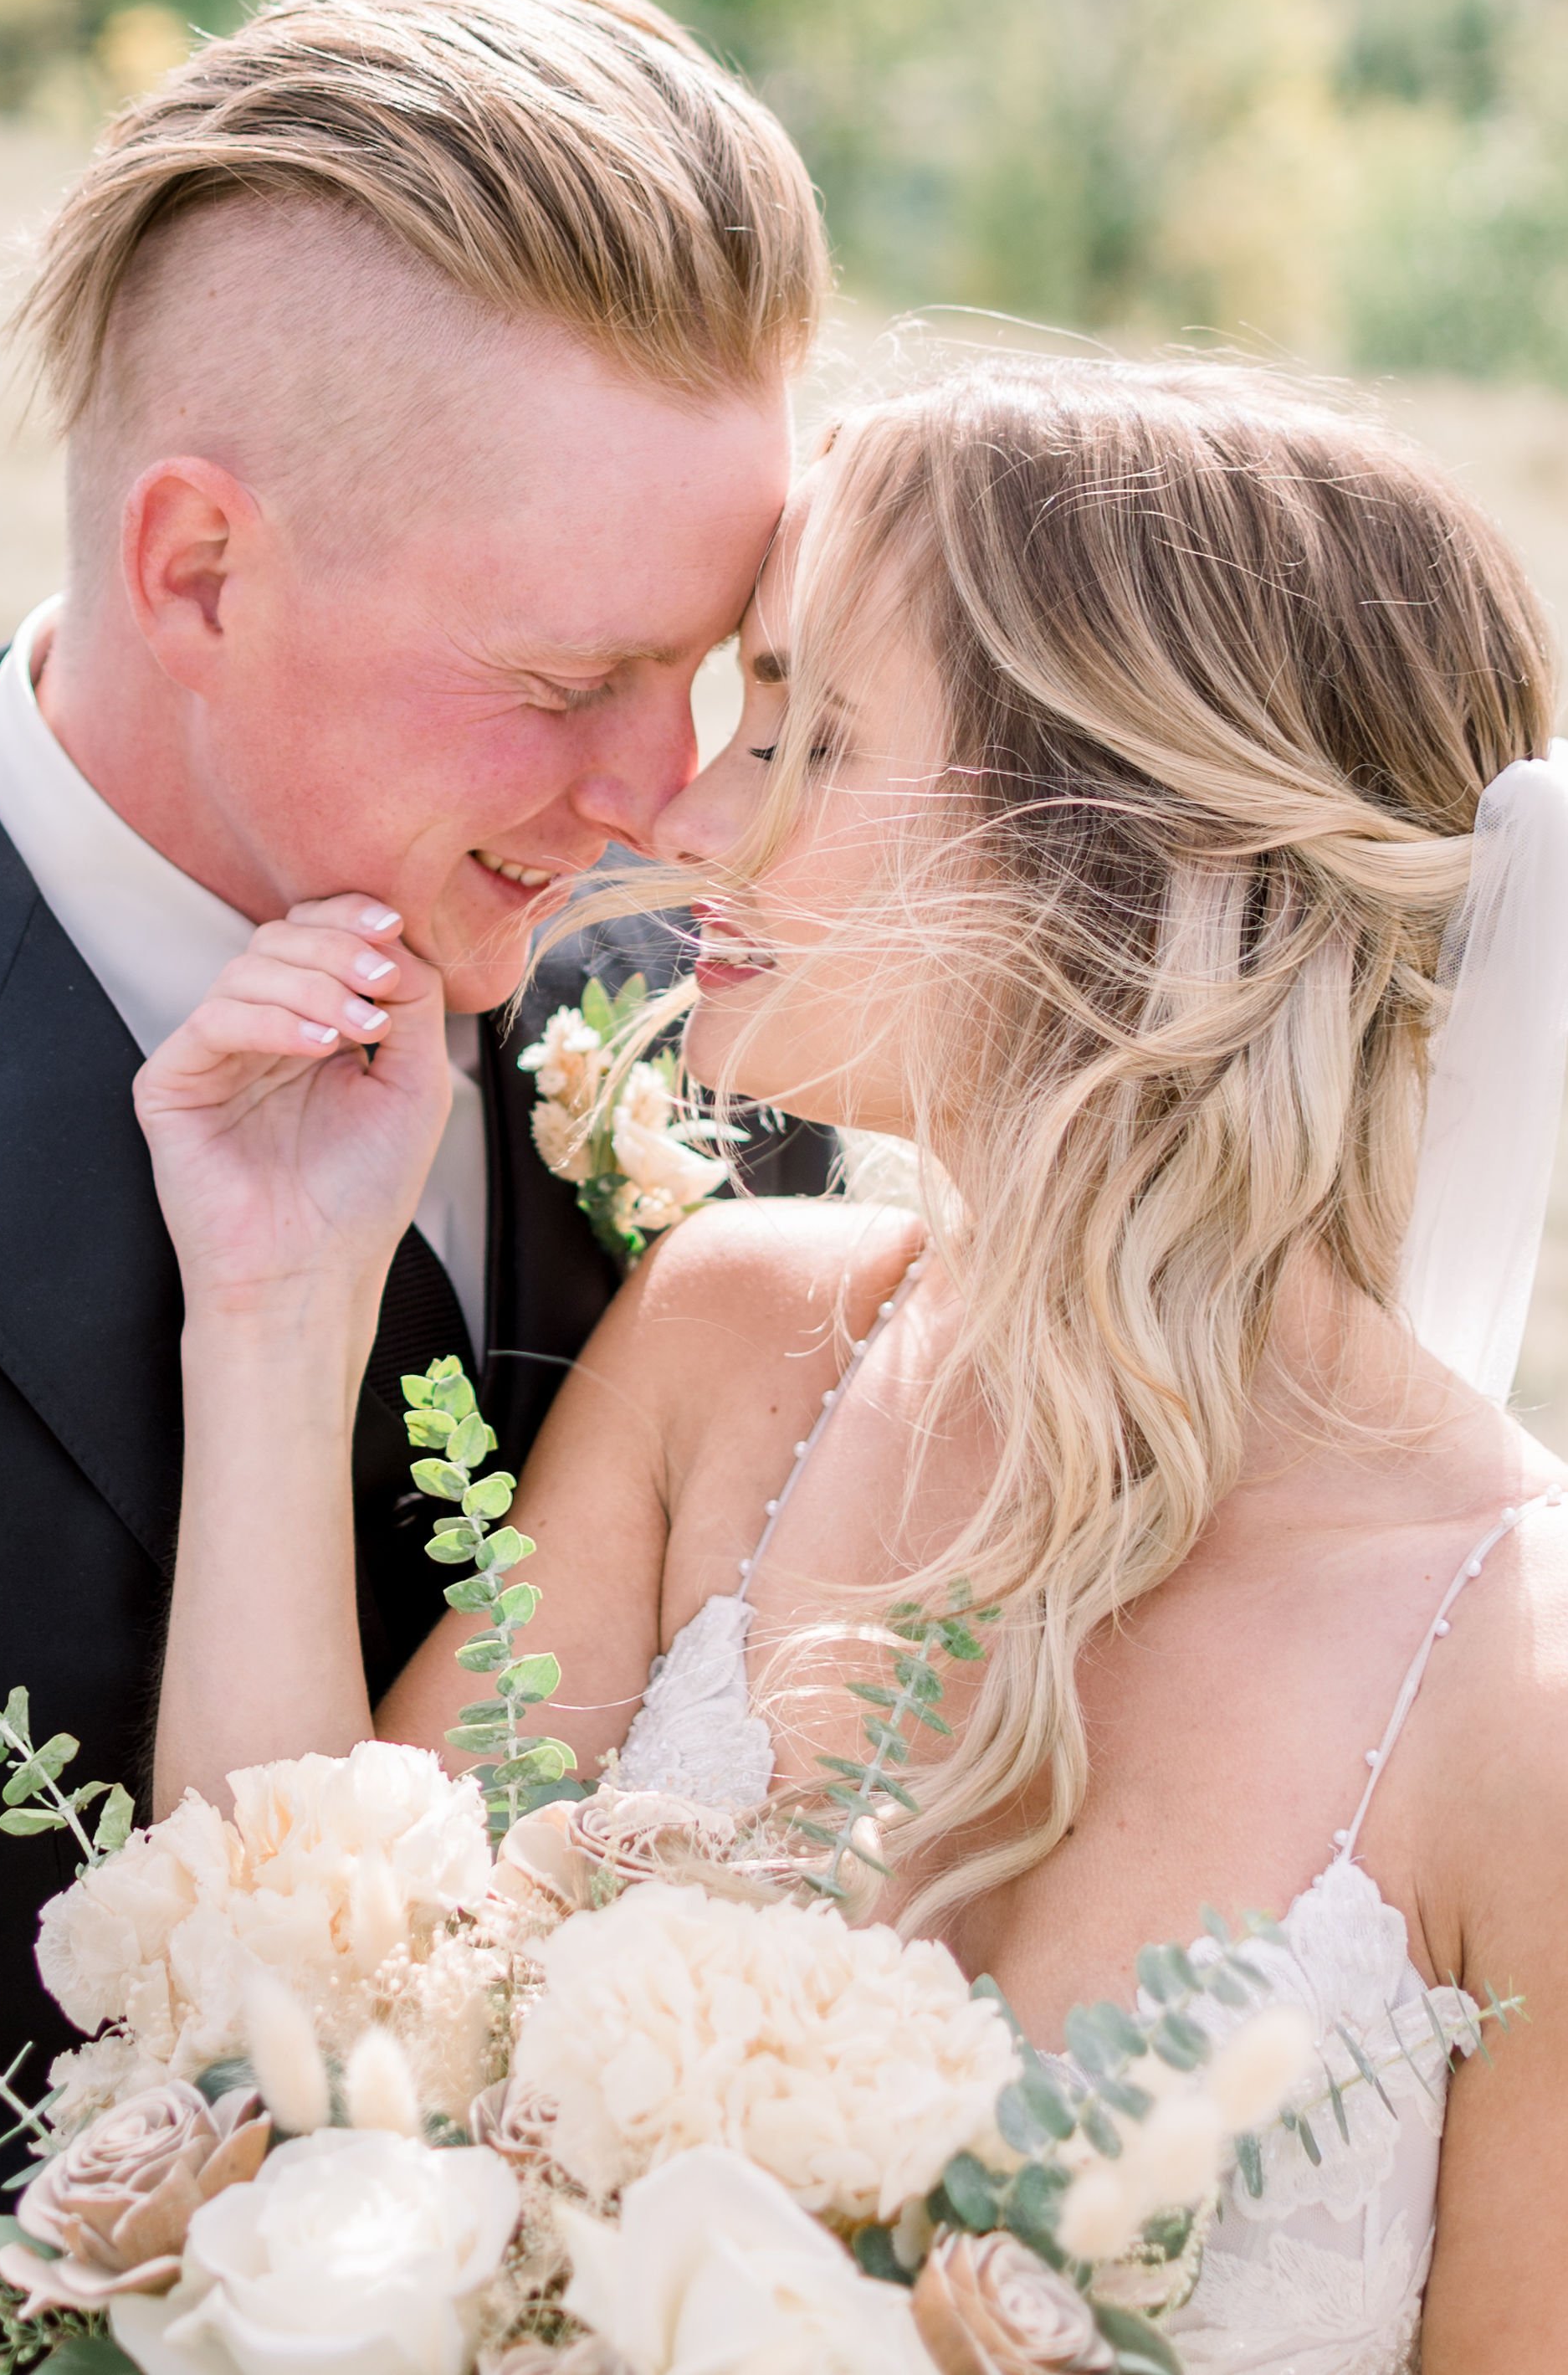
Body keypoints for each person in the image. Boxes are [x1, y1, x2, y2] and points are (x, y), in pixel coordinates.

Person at [143, 357, 1568, 2372]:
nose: (692, 813)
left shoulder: (1524, 1698)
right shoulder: (730, 1341)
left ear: (1116, 845)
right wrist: (275, 1307)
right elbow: (269, 2027)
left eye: (807, 735)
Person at [0, 0, 834, 2372]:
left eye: (721, 673)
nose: (668, 800)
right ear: (198, 566)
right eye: (564, 685)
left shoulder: (738, 1053)